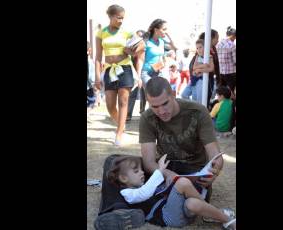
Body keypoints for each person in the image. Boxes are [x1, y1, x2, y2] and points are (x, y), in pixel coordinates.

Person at [139, 76, 224, 203]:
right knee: (122, 169)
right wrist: (168, 174)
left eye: (165, 104)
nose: (161, 111)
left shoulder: (198, 112)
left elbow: (215, 155)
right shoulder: (147, 117)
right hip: (164, 167)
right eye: (155, 106)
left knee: (190, 200)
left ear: (173, 94)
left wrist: (214, 171)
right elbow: (149, 162)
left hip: (193, 169)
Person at [107, 154, 236, 229]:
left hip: (181, 215)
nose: (142, 172)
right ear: (123, 178)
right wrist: (160, 171)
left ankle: (227, 220)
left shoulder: (140, 185)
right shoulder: (127, 193)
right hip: (167, 217)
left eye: (141, 169)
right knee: (182, 182)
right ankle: (214, 211)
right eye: (136, 171)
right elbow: (144, 193)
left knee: (192, 203)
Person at [94, 4, 144, 146]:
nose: (121, 20)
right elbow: (98, 57)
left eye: (123, 18)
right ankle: (120, 125)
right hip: (110, 70)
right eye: (118, 18)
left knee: (123, 101)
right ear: (110, 16)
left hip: (125, 68)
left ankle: (119, 133)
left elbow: (141, 47)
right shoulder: (101, 33)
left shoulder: (127, 32)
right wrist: (98, 77)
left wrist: (132, 51)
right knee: (110, 105)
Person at [140, 19, 177, 113]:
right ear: (156, 30)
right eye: (164, 29)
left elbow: (175, 47)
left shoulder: (162, 41)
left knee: (163, 95)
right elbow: (140, 59)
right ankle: (151, 119)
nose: (166, 31)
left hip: (159, 72)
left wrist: (168, 34)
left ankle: (161, 117)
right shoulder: (146, 42)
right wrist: (138, 76)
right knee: (152, 96)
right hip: (147, 73)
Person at [181, 39, 214, 104]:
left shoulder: (209, 57)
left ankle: (197, 111)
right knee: (184, 95)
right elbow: (194, 67)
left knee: (198, 100)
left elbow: (211, 69)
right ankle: (192, 106)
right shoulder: (197, 56)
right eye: (197, 48)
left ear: (205, 47)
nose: (198, 50)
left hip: (201, 81)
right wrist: (204, 65)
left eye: (200, 47)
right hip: (193, 79)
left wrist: (199, 69)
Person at [199, 30, 221, 110]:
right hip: (204, 79)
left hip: (211, 78)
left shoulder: (213, 48)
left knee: (208, 97)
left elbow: (216, 65)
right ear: (211, 38)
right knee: (205, 98)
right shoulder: (203, 50)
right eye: (217, 38)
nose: (218, 40)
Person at [217, 26, 236, 91]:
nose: (234, 39)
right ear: (233, 35)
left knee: (222, 92)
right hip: (231, 73)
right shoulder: (232, 45)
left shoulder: (219, 43)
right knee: (231, 93)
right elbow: (235, 61)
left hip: (221, 72)